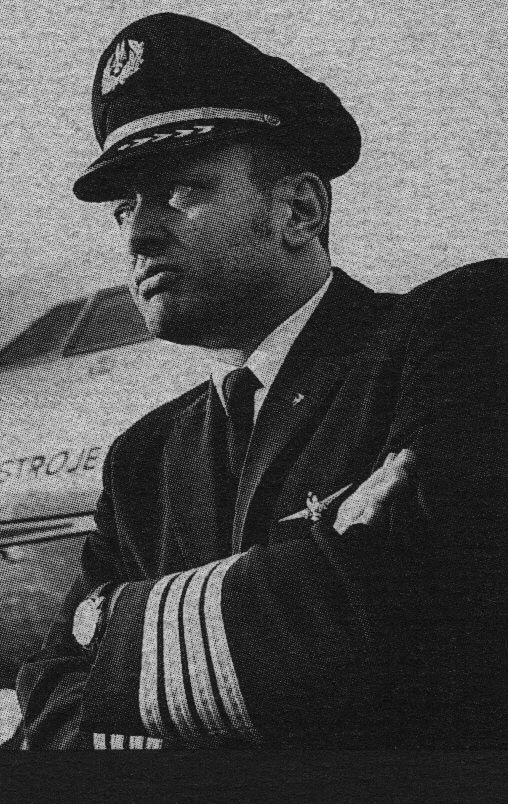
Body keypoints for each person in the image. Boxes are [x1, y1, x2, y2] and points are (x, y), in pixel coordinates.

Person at [16, 12, 507, 750]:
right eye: (123, 209)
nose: (138, 234)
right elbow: (49, 707)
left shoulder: (460, 328)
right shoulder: (142, 461)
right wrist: (317, 579)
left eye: (180, 190)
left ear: (299, 210)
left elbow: (437, 613)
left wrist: (109, 626)